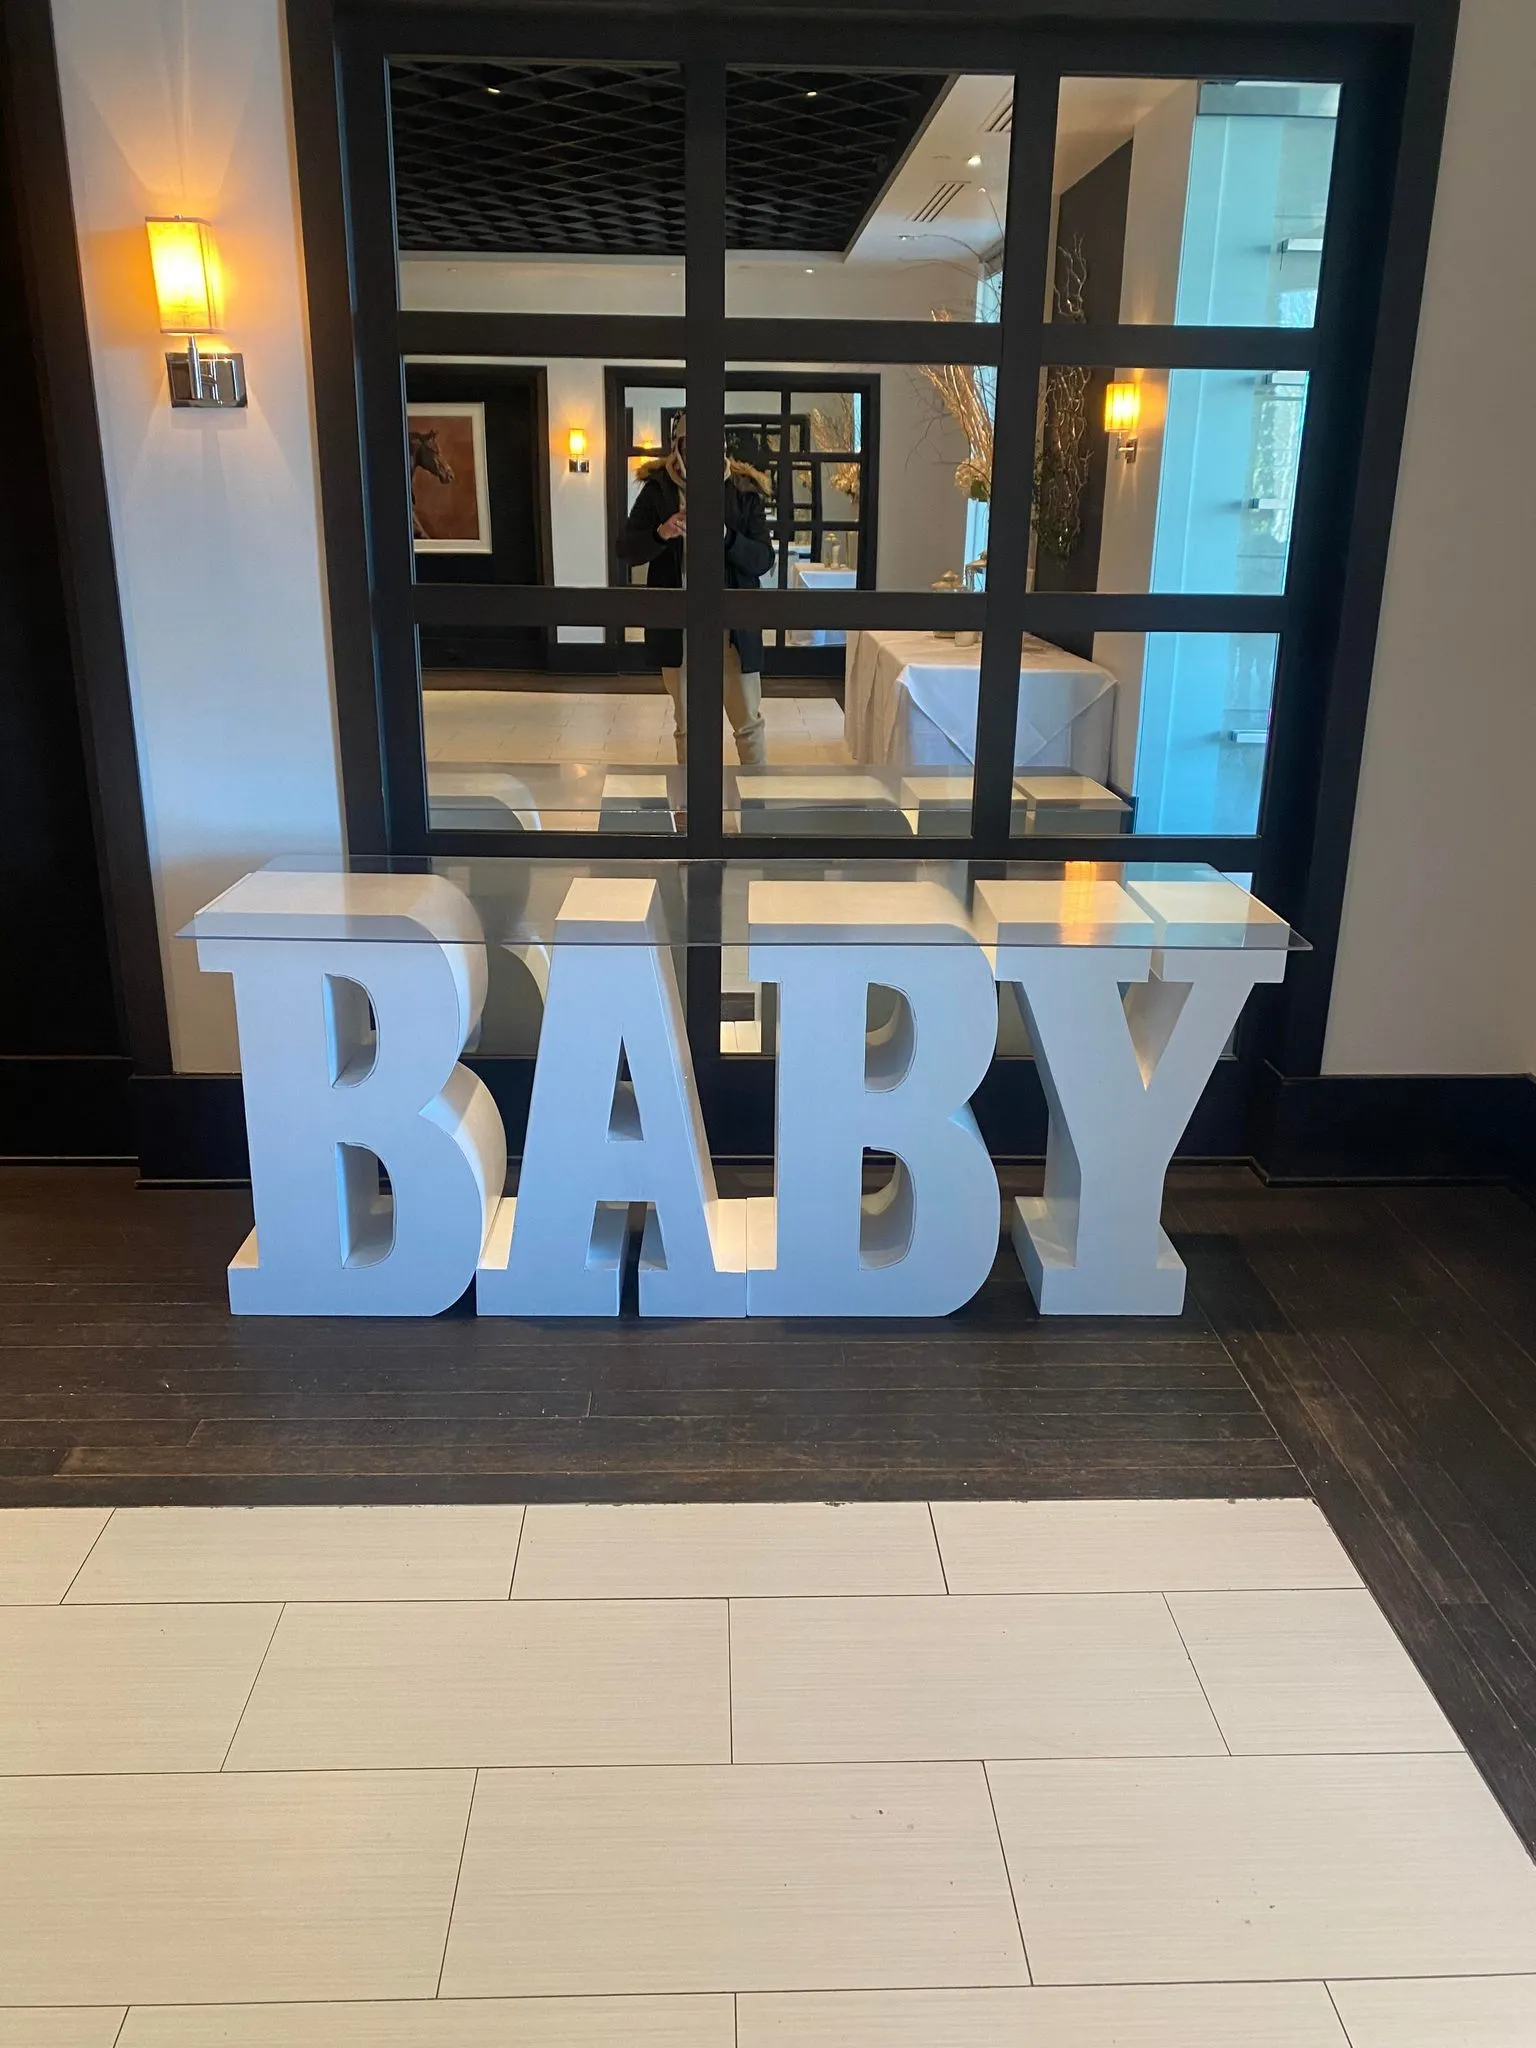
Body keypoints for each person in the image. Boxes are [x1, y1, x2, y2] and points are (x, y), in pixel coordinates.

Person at [618, 412, 775, 765]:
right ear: (679, 447)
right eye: (693, 446)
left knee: (748, 723)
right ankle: (689, 799)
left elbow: (763, 559)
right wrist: (662, 533)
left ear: (721, 446)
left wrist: (726, 537)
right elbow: (626, 549)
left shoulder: (743, 490)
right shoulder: (658, 489)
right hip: (679, 625)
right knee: (688, 724)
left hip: (733, 627)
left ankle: (756, 798)